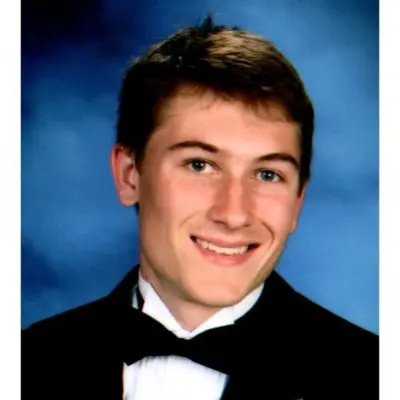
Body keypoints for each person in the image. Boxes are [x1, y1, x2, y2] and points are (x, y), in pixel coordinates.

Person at [21, 16, 378, 400]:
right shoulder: (27, 363)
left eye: (268, 174)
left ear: (297, 201)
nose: (234, 214)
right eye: (199, 165)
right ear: (129, 175)